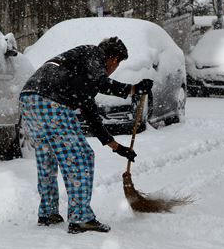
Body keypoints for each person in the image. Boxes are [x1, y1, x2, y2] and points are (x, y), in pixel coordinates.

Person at [19, 37, 153, 234]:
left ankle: (48, 213)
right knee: (81, 157)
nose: (112, 69)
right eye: (116, 65)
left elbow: (90, 114)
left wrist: (116, 147)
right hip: (51, 101)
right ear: (114, 59)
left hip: (29, 100)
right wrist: (132, 89)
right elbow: (102, 82)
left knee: (47, 155)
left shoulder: (79, 71)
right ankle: (81, 218)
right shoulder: (93, 54)